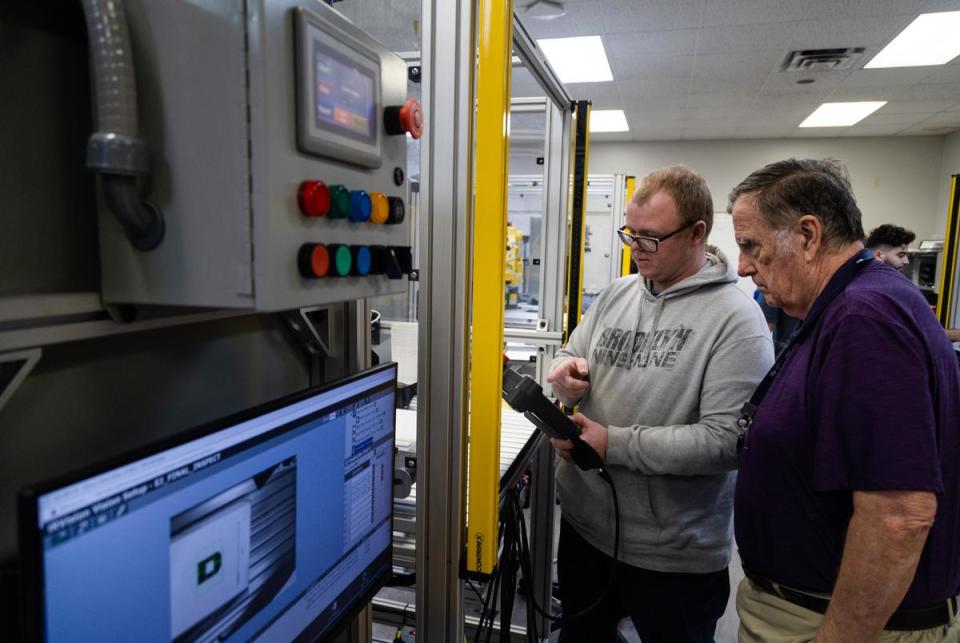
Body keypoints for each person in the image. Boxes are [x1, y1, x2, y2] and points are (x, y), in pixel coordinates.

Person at [729, 158, 960, 642]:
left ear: (808, 235)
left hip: (839, 624)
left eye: (752, 246)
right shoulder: (851, 304)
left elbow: (899, 515)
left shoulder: (863, 319)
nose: (743, 265)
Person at [546, 165, 773, 642]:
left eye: (650, 238)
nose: (635, 250)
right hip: (587, 531)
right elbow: (573, 352)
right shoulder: (616, 294)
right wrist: (567, 375)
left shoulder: (737, 320)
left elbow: (726, 442)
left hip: (673, 556)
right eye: (631, 235)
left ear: (697, 233)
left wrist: (614, 445)